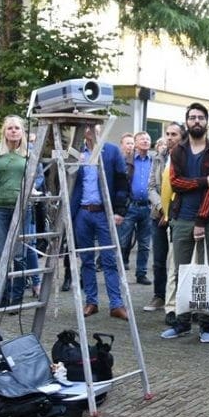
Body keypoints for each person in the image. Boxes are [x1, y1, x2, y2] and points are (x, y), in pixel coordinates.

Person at [162, 103, 209, 343]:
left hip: (208, 221)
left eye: (200, 117)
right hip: (181, 219)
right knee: (182, 273)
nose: (196, 121)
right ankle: (182, 323)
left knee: (205, 274)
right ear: (186, 121)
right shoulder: (178, 150)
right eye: (192, 117)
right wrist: (203, 180)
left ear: (207, 122)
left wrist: (201, 220)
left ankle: (206, 326)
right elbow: (176, 183)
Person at [70, 122, 130, 319]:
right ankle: (91, 302)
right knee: (86, 259)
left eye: (93, 126)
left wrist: (119, 210)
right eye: (86, 127)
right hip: (82, 212)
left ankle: (116, 304)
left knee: (109, 259)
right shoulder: (76, 152)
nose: (90, 130)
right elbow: (65, 180)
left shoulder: (111, 151)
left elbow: (122, 181)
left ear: (100, 129)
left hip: (105, 212)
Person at [0, 116, 37, 306]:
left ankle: (17, 298)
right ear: (4, 132)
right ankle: (2, 297)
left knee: (20, 254)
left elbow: (36, 178)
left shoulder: (30, 153)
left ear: (23, 132)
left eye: (17, 128)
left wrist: (32, 190)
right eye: (10, 128)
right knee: (2, 254)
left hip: (22, 208)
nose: (13, 131)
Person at [145, 122, 183, 313]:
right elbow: (151, 186)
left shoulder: (186, 157)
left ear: (182, 136)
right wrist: (161, 208)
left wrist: (169, 211)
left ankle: (177, 298)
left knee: (178, 260)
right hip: (158, 213)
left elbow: (183, 187)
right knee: (159, 259)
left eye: (174, 134)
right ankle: (159, 296)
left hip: (178, 214)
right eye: (167, 133)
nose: (169, 137)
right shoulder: (159, 157)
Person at [119, 130, 153, 285]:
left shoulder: (154, 161)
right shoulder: (127, 160)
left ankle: (141, 273)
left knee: (145, 244)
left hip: (147, 207)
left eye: (148, 139)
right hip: (130, 206)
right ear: (136, 143)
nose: (145, 141)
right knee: (123, 241)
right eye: (142, 139)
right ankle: (118, 274)